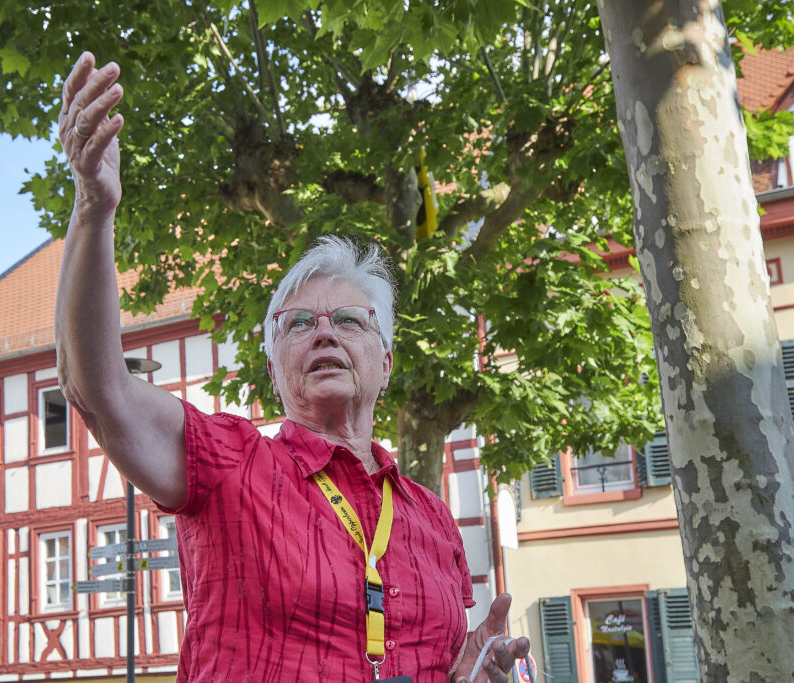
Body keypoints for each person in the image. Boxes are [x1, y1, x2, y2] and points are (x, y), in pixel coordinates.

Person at [55, 51, 531, 683]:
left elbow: (435, 665)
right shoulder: (230, 463)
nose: (325, 332)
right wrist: (94, 207)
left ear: (385, 364)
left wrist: (474, 671)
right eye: (299, 323)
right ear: (275, 370)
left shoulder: (430, 513)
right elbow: (99, 388)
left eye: (351, 320)